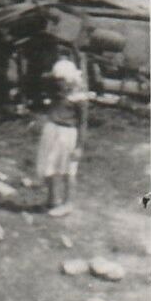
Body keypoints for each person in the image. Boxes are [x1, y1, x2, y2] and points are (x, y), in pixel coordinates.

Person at [37, 57, 89, 218]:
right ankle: (52, 199)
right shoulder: (56, 92)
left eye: (61, 80)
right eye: (57, 79)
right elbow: (43, 78)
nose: (58, 82)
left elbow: (83, 124)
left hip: (67, 134)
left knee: (67, 170)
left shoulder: (79, 98)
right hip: (52, 130)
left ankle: (68, 203)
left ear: (69, 80)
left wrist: (79, 146)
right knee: (50, 166)